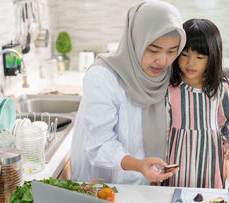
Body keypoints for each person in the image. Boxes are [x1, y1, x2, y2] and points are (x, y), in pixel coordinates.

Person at [70, 0, 186, 185]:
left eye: (172, 51)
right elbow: (99, 145)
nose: (162, 61)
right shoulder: (103, 77)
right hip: (104, 184)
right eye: (153, 50)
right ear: (135, 41)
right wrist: (138, 165)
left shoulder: (167, 77)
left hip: (146, 181)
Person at [162, 18, 229, 188]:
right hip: (176, 158)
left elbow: (225, 121)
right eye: (184, 54)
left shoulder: (220, 87)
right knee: (174, 199)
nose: (190, 63)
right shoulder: (169, 87)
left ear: (212, 57)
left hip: (211, 159)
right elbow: (162, 128)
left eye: (199, 56)